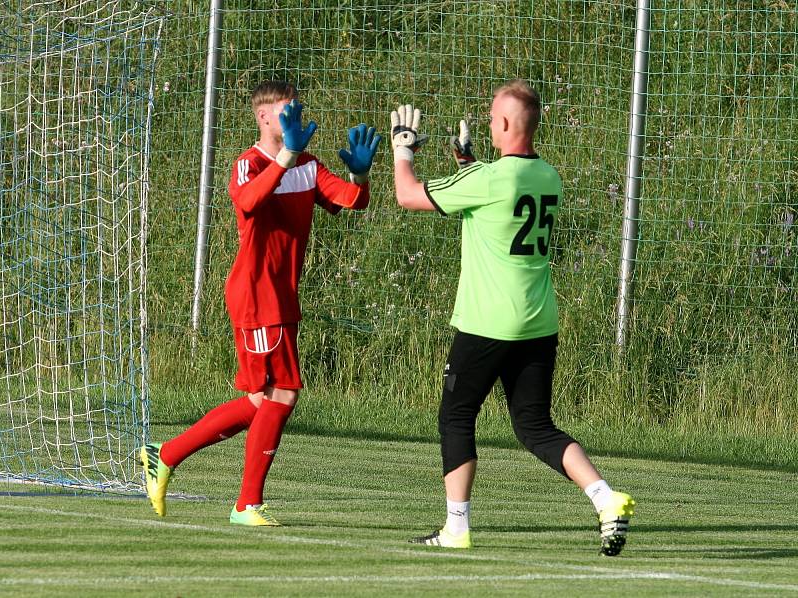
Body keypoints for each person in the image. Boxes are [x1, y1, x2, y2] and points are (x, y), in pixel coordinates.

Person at [389, 80, 635, 555]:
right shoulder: (548, 176)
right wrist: (469, 165)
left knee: (456, 417)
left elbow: (408, 195)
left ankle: (456, 527)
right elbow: (499, 199)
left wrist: (404, 148)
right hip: (538, 322)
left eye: (491, 117)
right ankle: (605, 497)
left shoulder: (488, 179)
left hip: (486, 324)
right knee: (535, 427)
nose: (487, 122)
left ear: (503, 124)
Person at [140, 80, 381, 526]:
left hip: (282, 298)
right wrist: (286, 156)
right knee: (282, 392)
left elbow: (354, 200)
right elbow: (248, 201)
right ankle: (246, 504)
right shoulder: (248, 164)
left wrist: (361, 175)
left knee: (260, 400)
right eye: (286, 112)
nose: (295, 119)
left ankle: (165, 453)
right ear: (263, 117)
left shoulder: (307, 165)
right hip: (255, 295)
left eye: (298, 111)